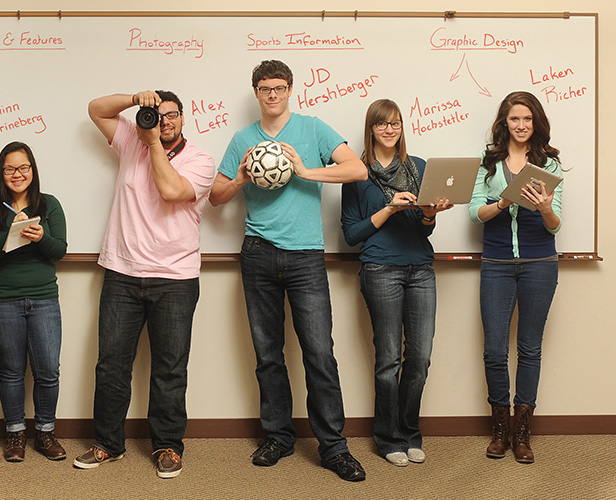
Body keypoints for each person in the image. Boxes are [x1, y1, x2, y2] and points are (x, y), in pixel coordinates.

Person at [209, 59, 369, 482]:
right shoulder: (243, 139)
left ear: (290, 90)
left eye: (279, 88)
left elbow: (357, 169)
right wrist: (241, 179)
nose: (272, 95)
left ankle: (334, 448)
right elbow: (215, 197)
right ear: (257, 93)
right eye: (265, 88)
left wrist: (304, 171)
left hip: (305, 256)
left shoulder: (313, 129)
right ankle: (278, 437)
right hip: (257, 253)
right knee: (268, 355)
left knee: (319, 353)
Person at [73, 90, 216, 479]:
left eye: (171, 115)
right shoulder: (130, 140)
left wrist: (152, 143)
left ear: (184, 118)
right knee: (111, 365)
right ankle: (108, 444)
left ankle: (168, 445)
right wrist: (136, 97)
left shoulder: (200, 160)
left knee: (170, 368)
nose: (164, 121)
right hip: (122, 272)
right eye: (156, 114)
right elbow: (95, 109)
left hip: (175, 278)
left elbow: (171, 191)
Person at [341, 99, 453, 467]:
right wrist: (389, 208)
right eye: (382, 124)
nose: (389, 130)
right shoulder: (357, 173)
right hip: (380, 270)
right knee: (388, 360)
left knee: (419, 359)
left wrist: (429, 215)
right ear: (371, 129)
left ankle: (410, 434)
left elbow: (425, 229)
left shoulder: (418, 167)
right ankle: (388, 438)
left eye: (395, 123)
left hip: (421, 269)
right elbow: (351, 234)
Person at [469, 91, 562, 464]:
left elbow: (555, 225)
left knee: (529, 348)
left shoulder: (549, 164)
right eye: (514, 119)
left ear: (535, 123)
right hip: (497, 263)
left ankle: (522, 434)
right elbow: (475, 213)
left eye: (527, 119)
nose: (521, 125)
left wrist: (544, 208)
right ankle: (500, 430)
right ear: (504, 123)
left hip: (541, 263)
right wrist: (503, 202)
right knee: (494, 350)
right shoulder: (488, 162)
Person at [0, 141, 68, 463]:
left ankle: (45, 432)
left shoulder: (49, 204)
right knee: (12, 370)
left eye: (23, 167)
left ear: (32, 170)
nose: (17, 174)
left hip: (43, 298)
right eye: (10, 169)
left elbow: (60, 250)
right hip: (2, 300)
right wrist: (12, 233)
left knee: (48, 371)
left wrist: (41, 238)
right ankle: (15, 434)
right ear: (1, 173)